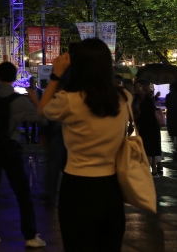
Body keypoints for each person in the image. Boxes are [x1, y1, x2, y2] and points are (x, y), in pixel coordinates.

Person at [38, 39, 129, 252]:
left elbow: (43, 110)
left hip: (78, 185)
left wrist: (56, 74)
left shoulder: (70, 100)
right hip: (112, 187)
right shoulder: (124, 97)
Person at [0, 62, 46, 248]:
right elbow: (41, 118)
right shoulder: (19, 101)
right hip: (9, 148)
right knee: (22, 192)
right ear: (15, 77)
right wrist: (35, 100)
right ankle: (30, 236)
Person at [135, 80, 162, 175]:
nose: (138, 89)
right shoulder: (135, 98)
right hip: (142, 125)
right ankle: (154, 170)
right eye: (136, 87)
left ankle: (148, 171)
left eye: (140, 86)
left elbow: (151, 94)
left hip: (151, 125)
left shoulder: (148, 96)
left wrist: (151, 89)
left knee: (150, 148)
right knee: (148, 148)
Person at [22, 78, 42, 144]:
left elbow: (40, 100)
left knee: (35, 126)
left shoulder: (39, 91)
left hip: (36, 110)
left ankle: (33, 139)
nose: (32, 83)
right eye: (31, 81)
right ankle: (28, 140)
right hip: (27, 110)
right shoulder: (27, 90)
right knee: (27, 126)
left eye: (33, 81)